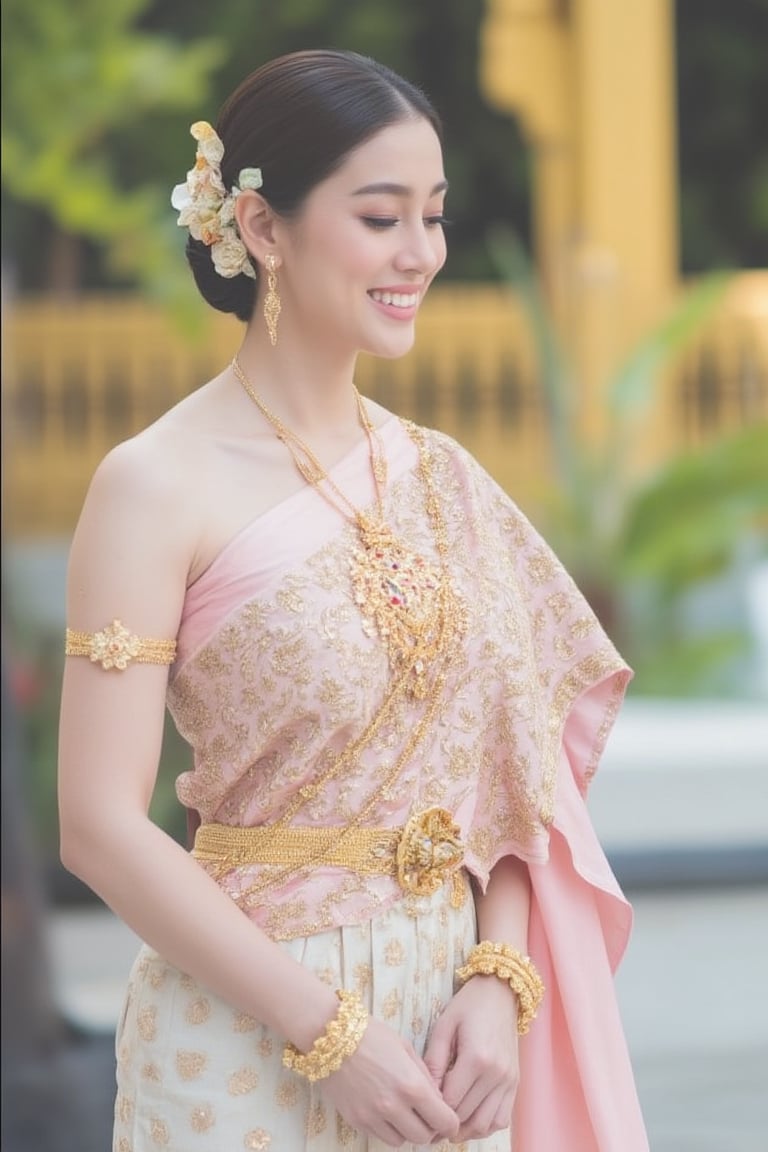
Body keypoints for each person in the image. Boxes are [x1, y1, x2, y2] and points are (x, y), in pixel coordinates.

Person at [57, 49, 649, 1152]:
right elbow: (97, 827)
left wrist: (500, 978)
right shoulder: (154, 485)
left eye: (433, 215)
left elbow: (514, 774)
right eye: (381, 218)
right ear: (264, 228)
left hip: (446, 1046)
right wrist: (329, 1034)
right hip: (240, 1026)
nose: (419, 253)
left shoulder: (444, 478)